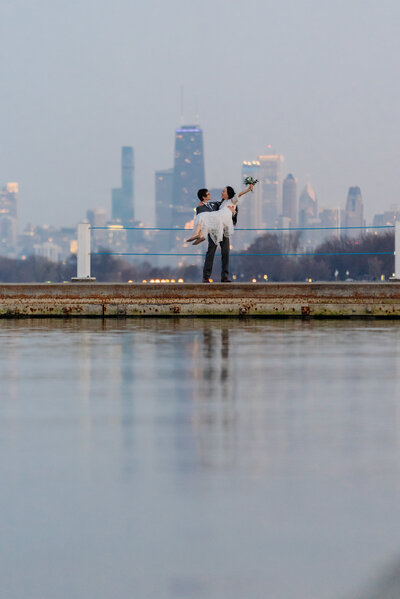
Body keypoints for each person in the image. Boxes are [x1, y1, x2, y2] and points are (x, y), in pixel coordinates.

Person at [186, 185, 253, 283]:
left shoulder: (224, 203)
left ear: (228, 194)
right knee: (210, 252)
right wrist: (201, 204)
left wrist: (234, 211)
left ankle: (224, 276)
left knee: (225, 252)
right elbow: (204, 213)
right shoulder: (212, 205)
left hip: (224, 229)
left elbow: (237, 200)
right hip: (214, 230)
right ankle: (206, 276)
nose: (222, 193)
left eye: (224, 191)